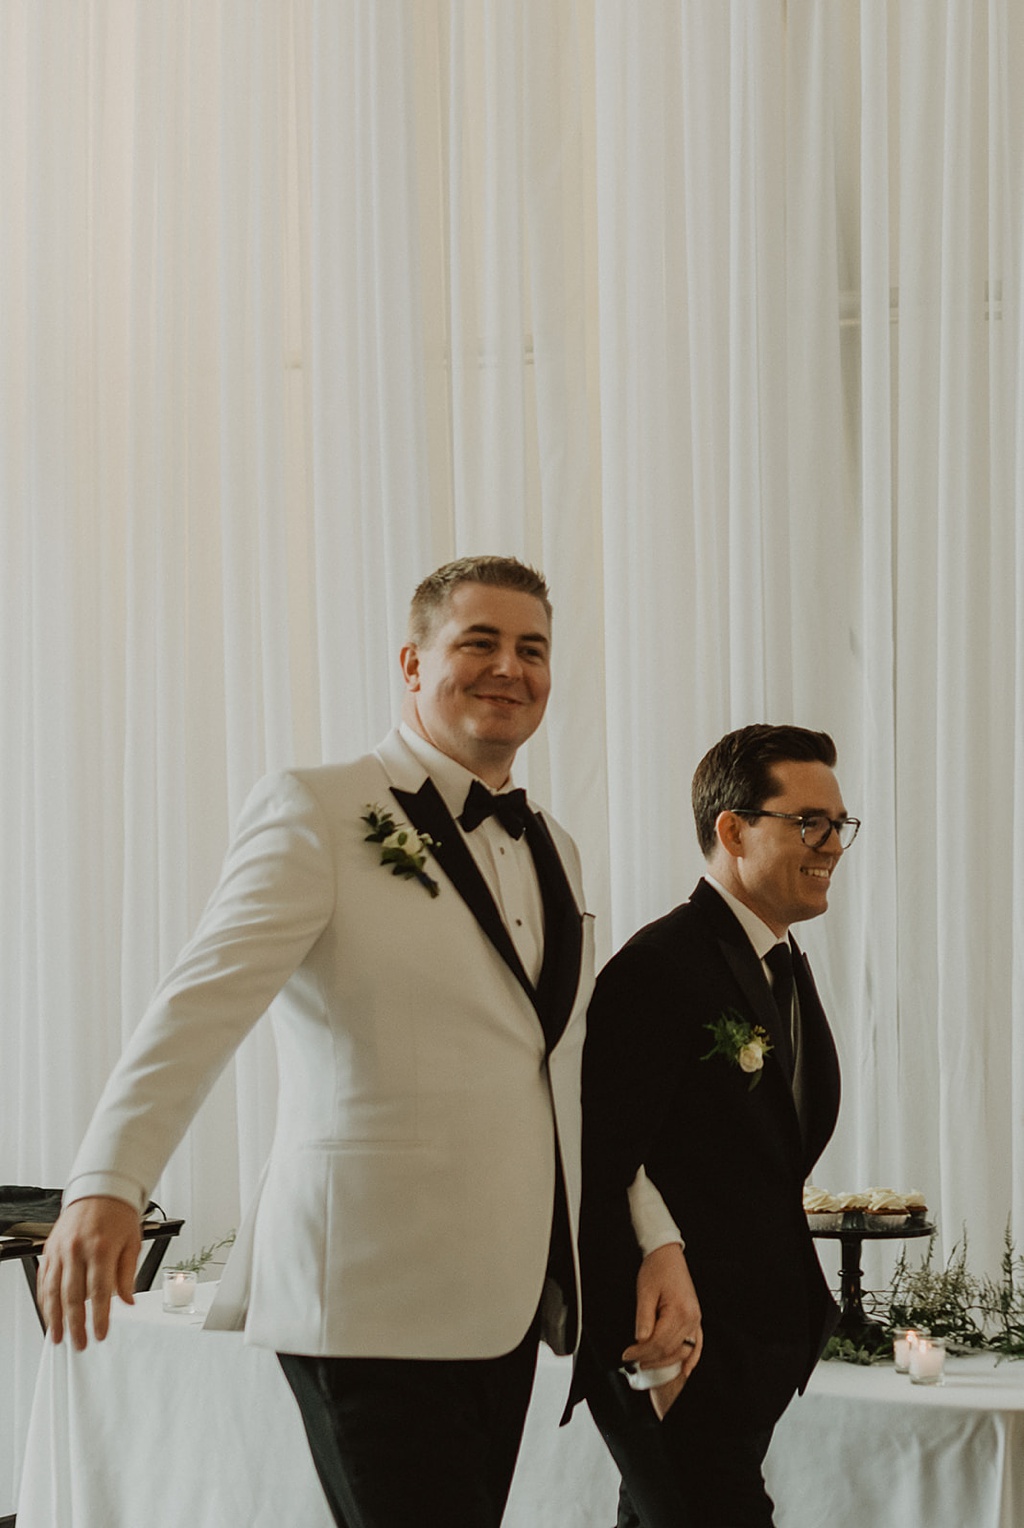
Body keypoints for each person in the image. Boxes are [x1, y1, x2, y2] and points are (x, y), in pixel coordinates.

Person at [39, 554, 620, 1528]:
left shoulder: (553, 844)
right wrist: (108, 1182)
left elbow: (565, 1064)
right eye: (477, 641)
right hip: (367, 1293)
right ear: (411, 661)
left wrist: (649, 1242)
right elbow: (198, 1001)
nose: (508, 667)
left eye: (532, 648)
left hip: (508, 1292)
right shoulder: (317, 807)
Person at [578, 724, 853, 1528]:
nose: (833, 843)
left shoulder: (783, 961)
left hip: (754, 1355)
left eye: (840, 824)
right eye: (810, 822)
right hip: (676, 1348)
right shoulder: (660, 966)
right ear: (732, 829)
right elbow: (598, 1147)